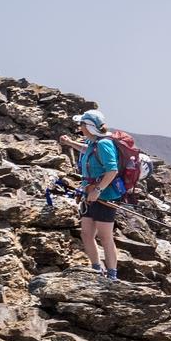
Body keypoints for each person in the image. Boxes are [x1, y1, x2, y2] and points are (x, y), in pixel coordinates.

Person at [57, 110, 123, 281]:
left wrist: (98, 190)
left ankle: (112, 276)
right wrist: (70, 143)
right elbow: (87, 150)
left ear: (90, 127)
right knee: (86, 233)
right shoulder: (93, 142)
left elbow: (112, 170)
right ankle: (96, 270)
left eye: (82, 124)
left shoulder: (104, 144)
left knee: (105, 236)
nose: (79, 127)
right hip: (89, 195)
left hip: (106, 196)